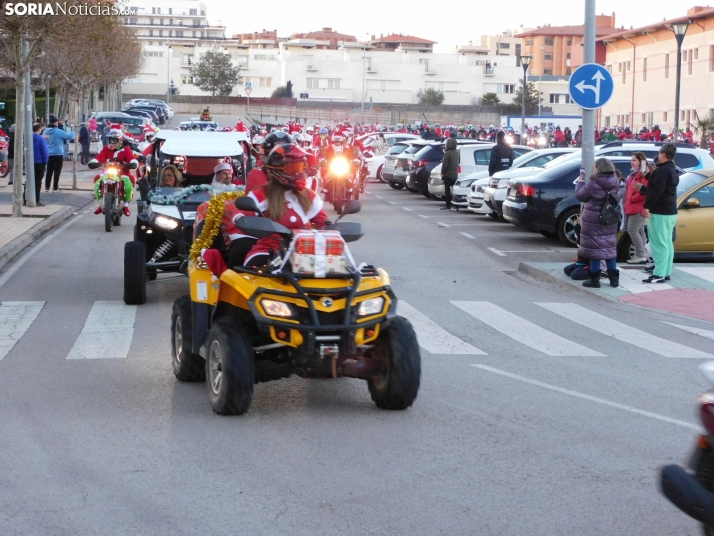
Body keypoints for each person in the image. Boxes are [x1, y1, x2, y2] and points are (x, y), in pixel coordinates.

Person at [244, 143, 329, 268]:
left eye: (300, 167)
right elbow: (242, 215)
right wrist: (245, 220)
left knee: (332, 268)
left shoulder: (308, 196)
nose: (297, 173)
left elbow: (323, 220)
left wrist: (329, 226)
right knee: (257, 268)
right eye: (292, 168)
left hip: (304, 253)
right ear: (278, 169)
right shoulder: (261, 194)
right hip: (268, 251)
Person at [632, 143, 679, 283]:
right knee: (667, 243)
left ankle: (659, 274)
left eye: (659, 153)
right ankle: (666, 272)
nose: (658, 155)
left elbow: (657, 190)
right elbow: (657, 185)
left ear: (663, 154)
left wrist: (647, 206)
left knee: (659, 244)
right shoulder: (671, 169)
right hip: (670, 212)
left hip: (660, 212)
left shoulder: (662, 171)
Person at [575, 158, 623, 289]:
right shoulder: (615, 181)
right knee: (609, 249)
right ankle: (614, 280)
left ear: (599, 168)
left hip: (594, 220)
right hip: (609, 219)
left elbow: (580, 196)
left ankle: (595, 280)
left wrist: (579, 183)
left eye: (594, 167)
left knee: (594, 250)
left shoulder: (593, 183)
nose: (593, 168)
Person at [624, 152, 652, 264]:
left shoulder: (643, 173)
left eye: (634, 160)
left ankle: (640, 254)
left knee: (632, 229)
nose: (632, 163)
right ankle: (641, 254)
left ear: (641, 161)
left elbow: (645, 190)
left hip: (638, 207)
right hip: (632, 206)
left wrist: (633, 199)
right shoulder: (633, 174)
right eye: (631, 160)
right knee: (639, 230)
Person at [44, 116, 75, 192]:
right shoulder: (58, 131)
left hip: (48, 153)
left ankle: (47, 187)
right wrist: (73, 130)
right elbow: (69, 137)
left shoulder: (45, 132)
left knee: (49, 171)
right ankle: (55, 187)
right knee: (57, 171)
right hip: (58, 153)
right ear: (55, 123)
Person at [26, 122, 48, 206]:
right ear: (39, 129)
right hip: (39, 162)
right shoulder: (41, 139)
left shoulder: (28, 137)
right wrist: (46, 161)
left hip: (30, 162)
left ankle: (26, 198)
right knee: (38, 182)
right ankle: (36, 199)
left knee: (28, 181)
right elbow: (45, 152)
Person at [440, 138, 459, 211]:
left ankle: (447, 204)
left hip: (448, 174)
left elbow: (445, 164)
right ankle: (456, 205)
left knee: (447, 191)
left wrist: (443, 173)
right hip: (455, 174)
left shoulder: (447, 153)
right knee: (454, 190)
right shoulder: (457, 152)